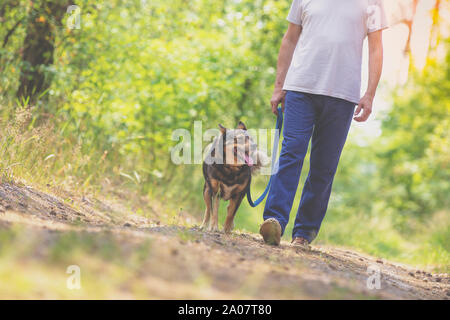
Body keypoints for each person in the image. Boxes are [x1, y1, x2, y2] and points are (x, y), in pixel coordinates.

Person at [259, 0, 388, 248]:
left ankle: (304, 233)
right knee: (291, 152)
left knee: (324, 166)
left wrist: (370, 94)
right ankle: (273, 220)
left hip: (343, 95)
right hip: (300, 88)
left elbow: (376, 48)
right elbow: (289, 39)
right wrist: (279, 86)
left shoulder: (372, 3)